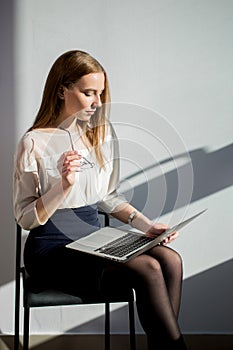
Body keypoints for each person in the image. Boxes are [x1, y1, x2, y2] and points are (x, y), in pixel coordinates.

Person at [13, 50, 188, 350]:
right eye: (88, 93)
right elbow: (24, 218)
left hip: (94, 241)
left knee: (170, 260)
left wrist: (146, 227)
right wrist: (62, 187)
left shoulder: (101, 136)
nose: (97, 102)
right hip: (52, 248)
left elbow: (108, 197)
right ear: (61, 90)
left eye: (101, 93)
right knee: (148, 268)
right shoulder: (34, 142)